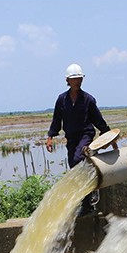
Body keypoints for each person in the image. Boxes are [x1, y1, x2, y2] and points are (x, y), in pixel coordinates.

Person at [46, 63, 110, 215]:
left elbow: (97, 119)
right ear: (67, 81)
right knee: (75, 168)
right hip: (71, 138)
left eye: (79, 78)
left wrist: (106, 133)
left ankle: (87, 199)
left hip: (86, 135)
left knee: (78, 158)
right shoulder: (62, 100)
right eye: (74, 79)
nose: (77, 81)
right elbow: (57, 120)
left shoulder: (88, 100)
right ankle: (87, 202)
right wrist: (50, 136)